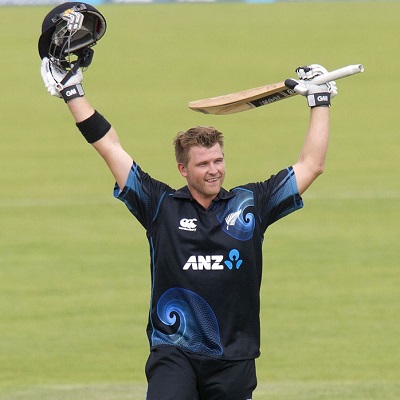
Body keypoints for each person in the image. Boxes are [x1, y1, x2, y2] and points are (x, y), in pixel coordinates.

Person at [41, 54, 337, 399]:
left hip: (234, 355)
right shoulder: (160, 205)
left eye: (218, 160)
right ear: (183, 169)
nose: (213, 170)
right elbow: (110, 148)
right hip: (174, 351)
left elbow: (311, 165)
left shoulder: (250, 205)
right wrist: (72, 92)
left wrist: (320, 101)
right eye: (203, 164)